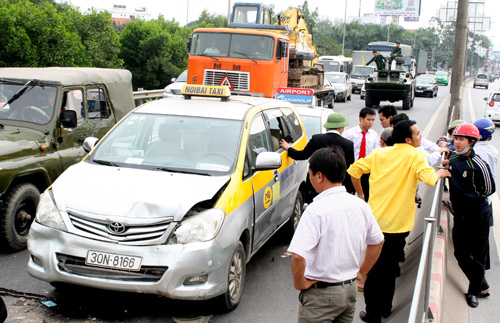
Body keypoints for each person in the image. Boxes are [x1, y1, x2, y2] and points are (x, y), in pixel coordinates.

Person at [348, 120, 450, 323]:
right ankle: (385, 308)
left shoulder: (378, 154)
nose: (421, 137)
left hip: (376, 223)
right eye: (418, 134)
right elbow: (429, 179)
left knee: (375, 270)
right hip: (400, 226)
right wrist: (438, 172)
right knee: (390, 268)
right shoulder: (415, 155)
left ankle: (372, 313)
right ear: (407, 139)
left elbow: (353, 171)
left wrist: (361, 195)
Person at [288, 147, 384, 323]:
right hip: (349, 290)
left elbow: (297, 256)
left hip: (321, 296)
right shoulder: (361, 206)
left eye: (310, 175)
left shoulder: (315, 210)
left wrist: (299, 283)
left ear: (319, 176)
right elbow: (378, 242)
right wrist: (361, 273)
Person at [442, 123, 495, 308]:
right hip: (461, 216)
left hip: (478, 215)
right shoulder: (454, 159)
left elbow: (490, 189)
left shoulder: (479, 164)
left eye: (461, 139)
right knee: (460, 254)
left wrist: (468, 199)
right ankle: (481, 282)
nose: (456, 142)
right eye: (455, 138)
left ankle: (473, 291)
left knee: (479, 255)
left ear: (472, 142)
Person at [280, 113, 355, 201]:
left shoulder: (317, 139)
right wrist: (350, 189)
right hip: (338, 186)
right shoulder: (348, 144)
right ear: (340, 127)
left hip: (317, 184)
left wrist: (288, 148)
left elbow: (302, 155)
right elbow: (350, 169)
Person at [472, 118, 498, 293]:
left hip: (474, 202)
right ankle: (482, 276)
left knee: (474, 243)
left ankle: (480, 281)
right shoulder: (492, 150)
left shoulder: (474, 152)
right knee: (483, 240)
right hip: (486, 202)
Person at [343, 108, 380, 201]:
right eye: (368, 119)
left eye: (373, 120)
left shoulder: (374, 135)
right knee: (349, 196)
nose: (371, 122)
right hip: (352, 169)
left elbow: (376, 152)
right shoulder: (350, 134)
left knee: (366, 196)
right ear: (361, 119)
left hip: (366, 171)